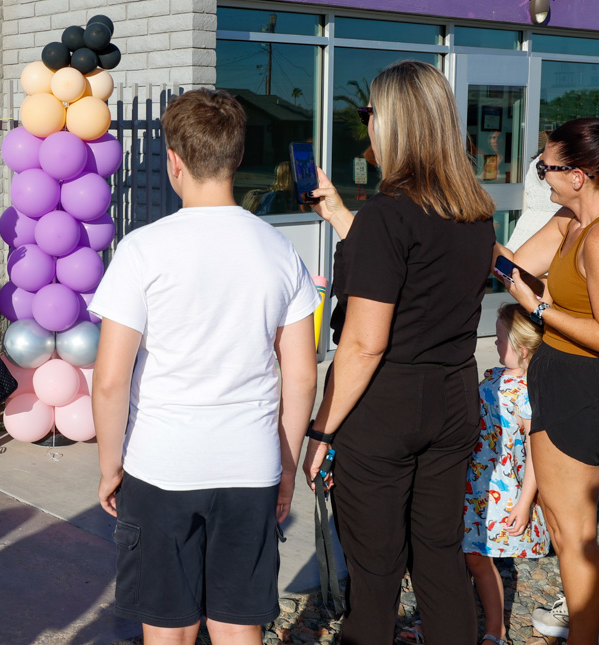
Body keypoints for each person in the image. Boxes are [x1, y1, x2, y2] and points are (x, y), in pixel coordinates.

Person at [90, 88, 320, 645]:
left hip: (161, 463)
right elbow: (303, 373)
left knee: (168, 626)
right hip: (250, 464)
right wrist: (287, 466)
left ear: (173, 160)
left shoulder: (142, 249)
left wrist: (109, 464)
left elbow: (110, 379)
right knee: (239, 624)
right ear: (238, 159)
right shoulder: (279, 249)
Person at [301, 60, 496, 645]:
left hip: (386, 405)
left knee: (377, 571)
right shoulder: (475, 212)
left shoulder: (390, 214)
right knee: (438, 559)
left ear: (399, 125)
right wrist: (339, 216)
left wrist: (321, 431)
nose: (367, 130)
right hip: (455, 393)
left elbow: (364, 342)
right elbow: (416, 273)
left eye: (371, 115)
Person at [496, 117, 599, 645]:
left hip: (582, 383)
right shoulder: (571, 221)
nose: (541, 174)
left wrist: (540, 309)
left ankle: (585, 633)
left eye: (547, 166)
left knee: (575, 536)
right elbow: (512, 267)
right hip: (557, 375)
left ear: (580, 175)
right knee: (562, 528)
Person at [463, 304, 549, 645]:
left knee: (480, 557)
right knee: (467, 553)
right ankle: (451, 618)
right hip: (472, 481)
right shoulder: (495, 376)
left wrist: (525, 502)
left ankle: (494, 630)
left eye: (500, 339)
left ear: (522, 350)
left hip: (502, 486)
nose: (495, 344)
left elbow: (534, 453)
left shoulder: (528, 392)